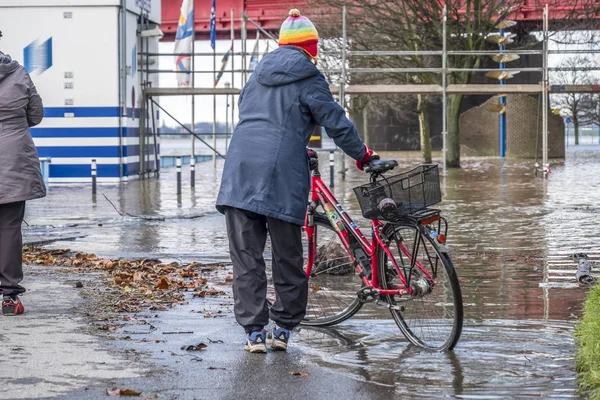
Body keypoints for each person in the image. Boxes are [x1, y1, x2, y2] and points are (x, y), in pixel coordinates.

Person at [216, 10, 378, 352]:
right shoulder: (310, 76)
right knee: (287, 255)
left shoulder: (256, 76)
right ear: (311, 47)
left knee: (247, 258)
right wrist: (362, 154)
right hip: (280, 174)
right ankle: (284, 329)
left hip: (239, 170)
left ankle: (254, 333)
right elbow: (336, 122)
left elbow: (254, 119)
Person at [0, 31, 46, 315]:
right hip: (14, 160)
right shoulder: (18, 73)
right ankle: (8, 297)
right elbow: (36, 115)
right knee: (8, 229)